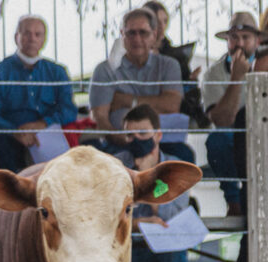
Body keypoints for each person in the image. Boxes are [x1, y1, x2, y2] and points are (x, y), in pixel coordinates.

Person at [118, 105, 190, 262]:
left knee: (176, 253)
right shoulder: (117, 167)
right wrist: (137, 223)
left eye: (143, 134)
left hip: (162, 246)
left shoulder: (175, 167)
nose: (136, 140)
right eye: (130, 135)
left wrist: (151, 178)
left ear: (158, 135)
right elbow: (108, 216)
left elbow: (171, 216)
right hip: (126, 247)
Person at [0, 15, 76, 172]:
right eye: (26, 33)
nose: (32, 38)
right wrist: (14, 132)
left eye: (38, 34)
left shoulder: (57, 72)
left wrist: (42, 124)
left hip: (48, 134)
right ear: (16, 37)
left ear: (44, 39)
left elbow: (69, 110)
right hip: (9, 136)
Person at [89, 8, 182, 150]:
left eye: (143, 33)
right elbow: (100, 118)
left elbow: (172, 105)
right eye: (131, 33)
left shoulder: (169, 65)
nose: (137, 39)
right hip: (119, 141)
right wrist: (124, 140)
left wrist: (127, 101)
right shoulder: (105, 70)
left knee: (185, 157)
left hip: (162, 141)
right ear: (122, 34)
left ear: (154, 35)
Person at [202, 12, 262, 218]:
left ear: (257, 40)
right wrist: (236, 79)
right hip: (233, 138)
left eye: (246, 37)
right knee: (217, 141)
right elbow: (222, 120)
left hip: (262, 136)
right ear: (227, 41)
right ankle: (234, 201)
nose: (240, 43)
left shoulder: (265, 65)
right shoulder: (214, 73)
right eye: (235, 37)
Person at [144, 1, 206, 129]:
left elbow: (190, 99)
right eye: (156, 21)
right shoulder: (132, 55)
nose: (161, 27)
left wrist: (191, 82)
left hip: (173, 115)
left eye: (165, 21)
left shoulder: (176, 57)